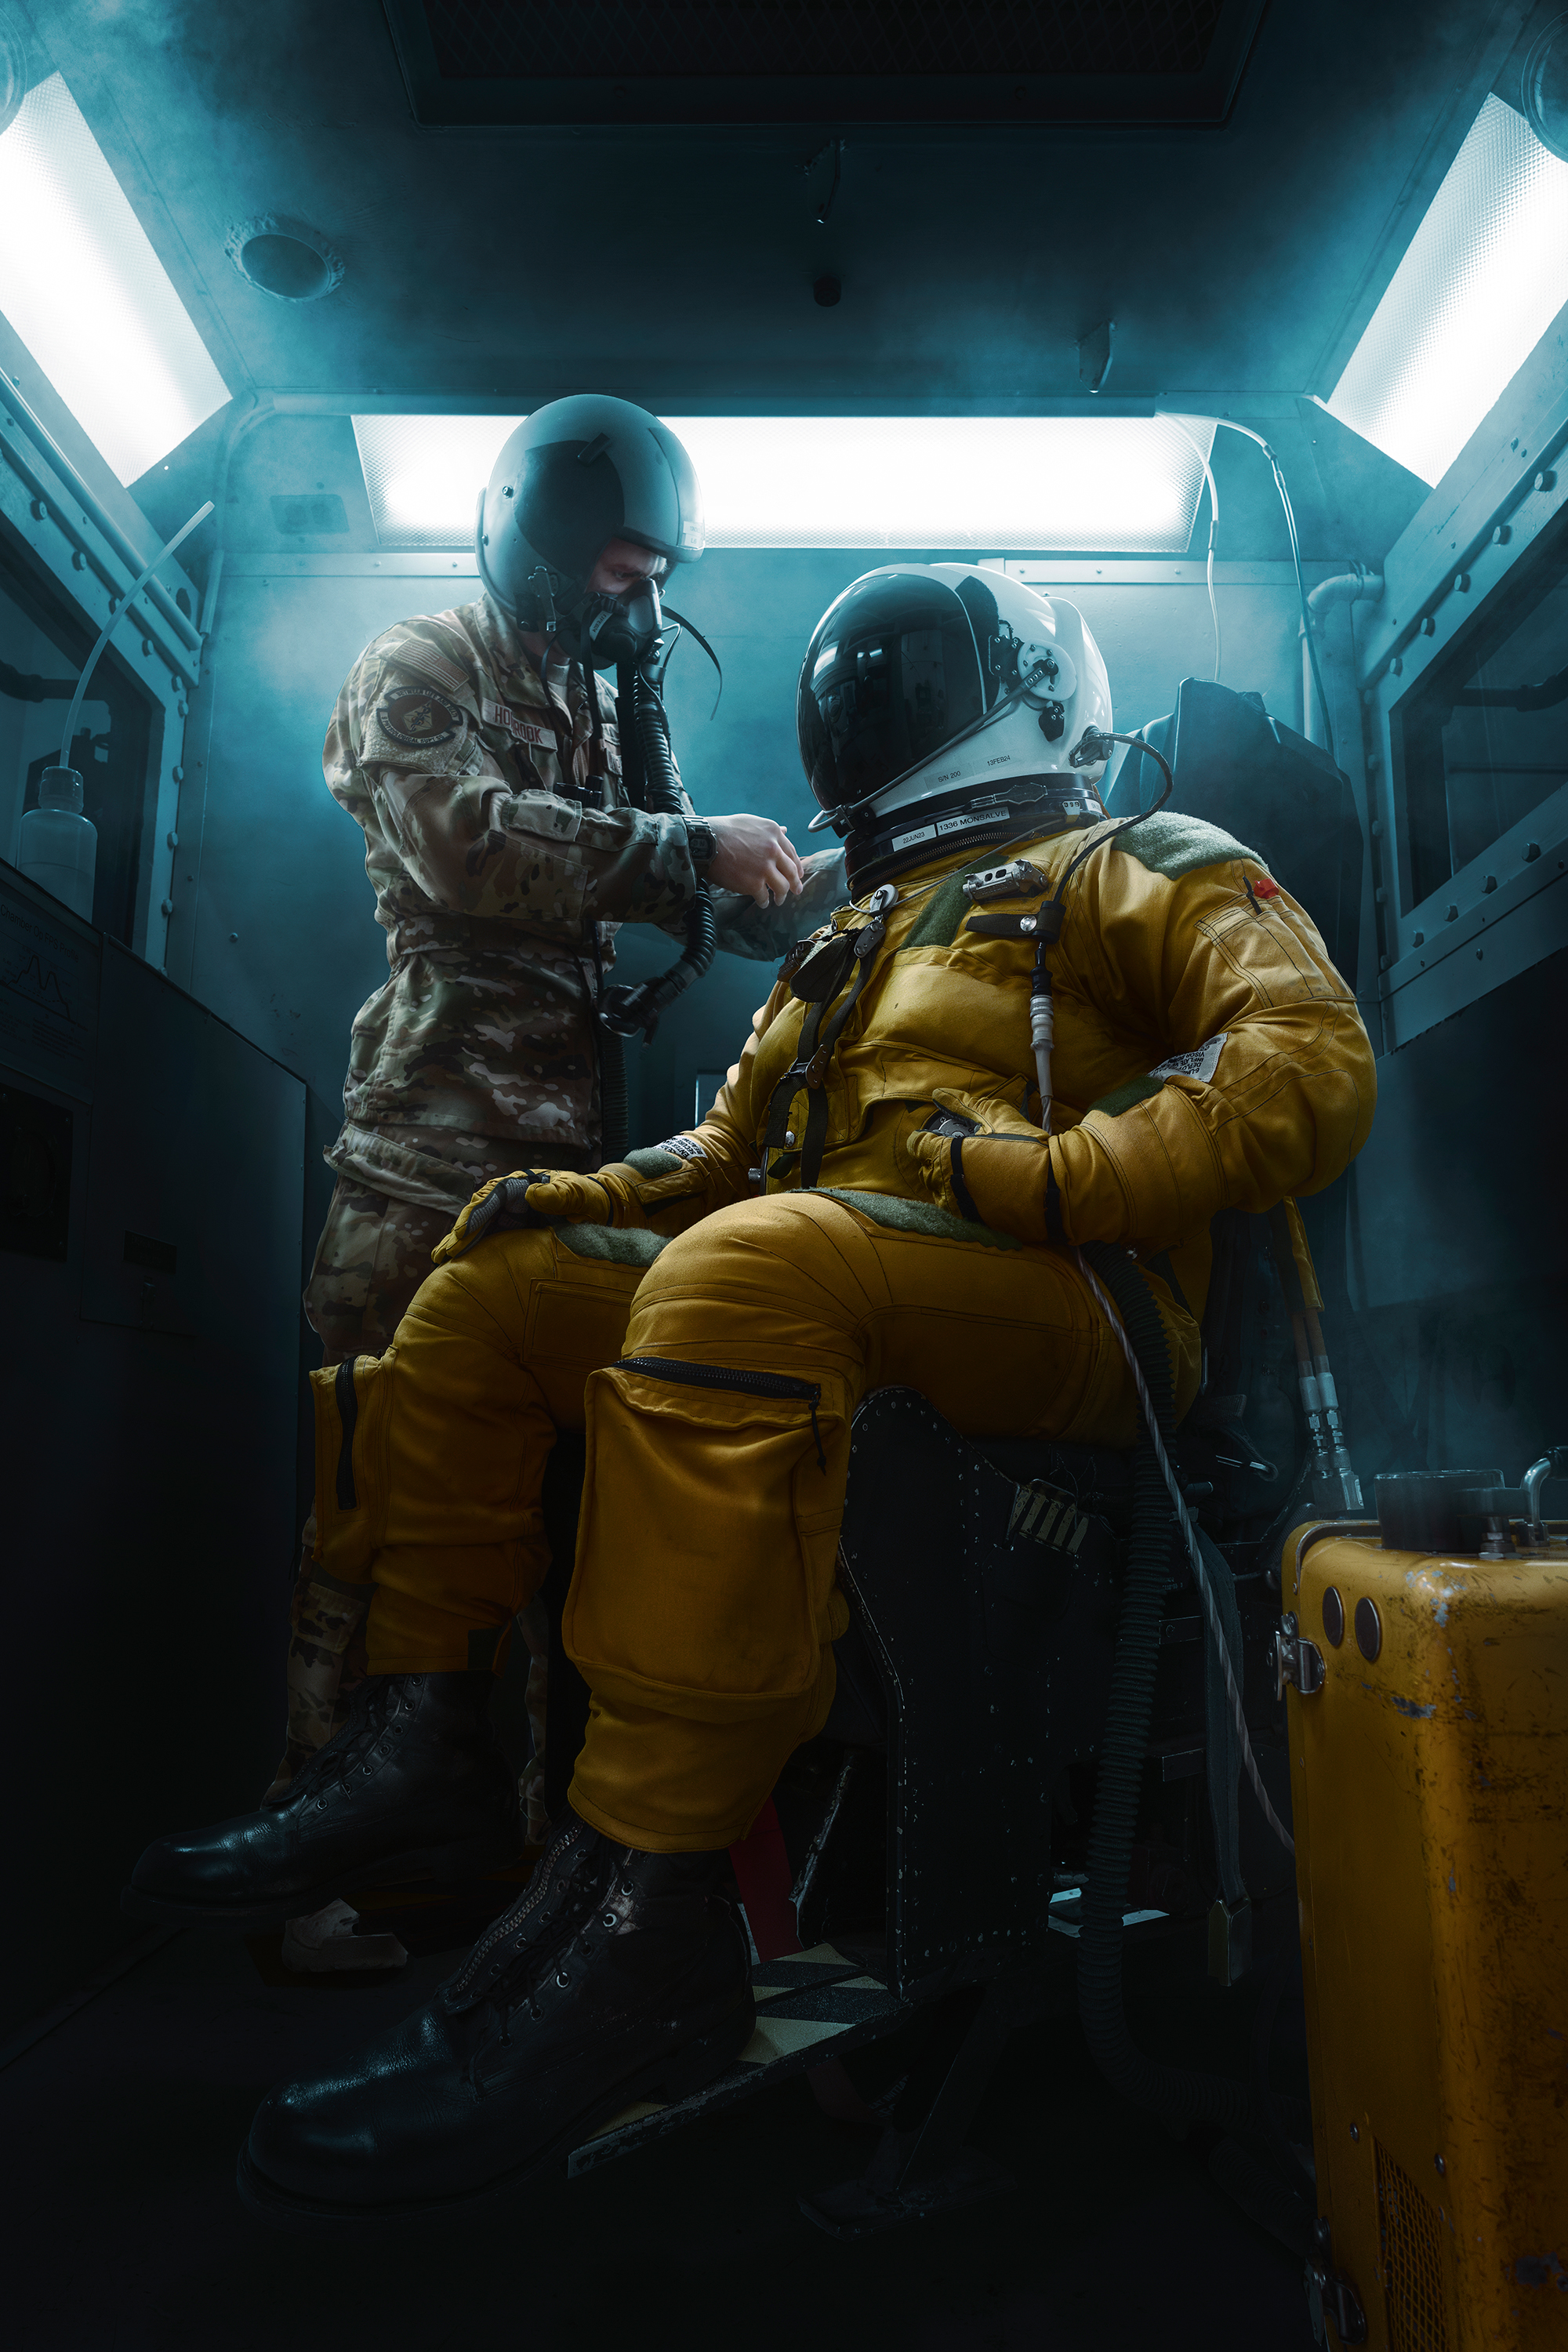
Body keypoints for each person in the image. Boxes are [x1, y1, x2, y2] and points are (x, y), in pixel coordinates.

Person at [128, 563, 1375, 2222]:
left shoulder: (1132, 861)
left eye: (914, 687)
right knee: (491, 1292)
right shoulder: (850, 940)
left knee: (746, 1267)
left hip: (1074, 1312)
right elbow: (729, 1158)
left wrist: (1065, 1171)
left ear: (1028, 691)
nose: (881, 718)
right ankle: (423, 1729)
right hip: (855, 1288)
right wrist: (589, 1197)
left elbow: (1305, 1058)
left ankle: (652, 1925)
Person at [278, 394, 845, 1812]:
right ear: (552, 541)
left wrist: (832, 883)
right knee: (375, 1507)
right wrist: (686, 853)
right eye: (627, 569)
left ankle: (513, 1841)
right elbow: (471, 850)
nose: (648, 600)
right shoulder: (422, 667)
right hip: (424, 1164)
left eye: (663, 575)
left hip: (553, 1191)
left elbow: (680, 877)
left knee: (534, 1523)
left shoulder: (595, 704)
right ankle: (318, 1848)